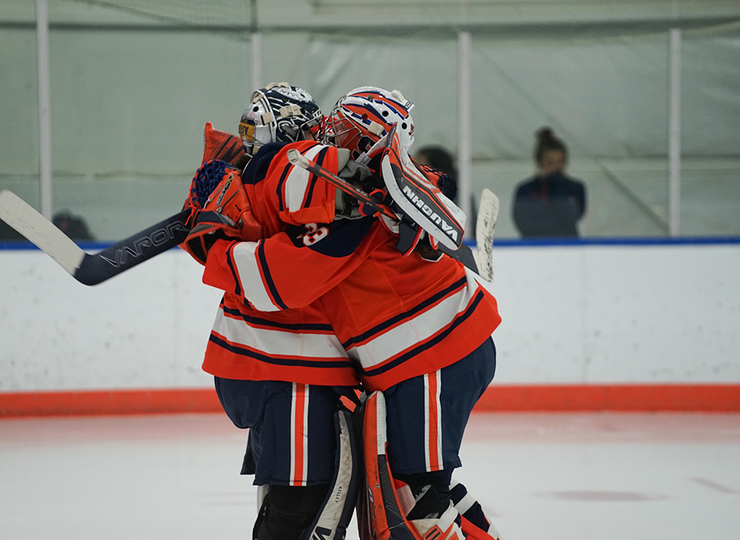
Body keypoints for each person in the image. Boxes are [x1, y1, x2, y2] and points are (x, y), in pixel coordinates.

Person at [186, 85, 502, 540]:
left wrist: (215, 247)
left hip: (431, 358)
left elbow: (279, 282)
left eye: (347, 127)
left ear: (373, 141)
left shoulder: (351, 210)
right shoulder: (345, 188)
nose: (331, 131)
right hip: (430, 357)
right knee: (422, 492)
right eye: (335, 120)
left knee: (416, 502)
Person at [512, 127, 586, 238]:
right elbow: (523, 223)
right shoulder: (526, 189)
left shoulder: (575, 187)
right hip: (534, 246)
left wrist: (557, 186)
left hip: (567, 245)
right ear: (540, 162)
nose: (555, 167)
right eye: (550, 162)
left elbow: (573, 217)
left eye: (559, 162)